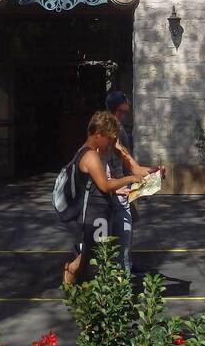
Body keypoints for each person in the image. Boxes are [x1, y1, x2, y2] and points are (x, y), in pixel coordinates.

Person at [62, 111, 146, 286]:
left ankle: (76, 275)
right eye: (109, 139)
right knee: (93, 255)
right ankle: (72, 273)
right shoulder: (90, 156)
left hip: (99, 211)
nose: (111, 143)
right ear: (98, 135)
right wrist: (130, 179)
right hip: (89, 215)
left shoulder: (91, 152)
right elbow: (104, 185)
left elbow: (101, 185)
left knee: (95, 254)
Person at [103, 91, 159, 274]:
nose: (123, 115)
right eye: (121, 111)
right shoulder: (105, 132)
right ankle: (120, 274)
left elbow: (130, 164)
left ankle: (125, 265)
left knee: (124, 236)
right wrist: (113, 187)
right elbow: (98, 164)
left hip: (123, 191)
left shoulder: (119, 131)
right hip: (113, 192)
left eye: (125, 111)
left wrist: (152, 171)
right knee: (117, 237)